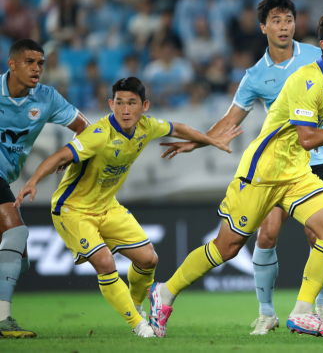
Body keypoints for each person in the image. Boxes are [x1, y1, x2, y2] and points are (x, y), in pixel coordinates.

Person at [148, 6, 323, 338]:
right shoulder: (307, 79)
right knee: (228, 246)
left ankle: (303, 311)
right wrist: (204, 140)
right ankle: (164, 292)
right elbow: (308, 137)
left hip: (295, 171)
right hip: (263, 171)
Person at [161, 0, 323, 335]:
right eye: (276, 21)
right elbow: (230, 119)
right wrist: (199, 140)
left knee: (321, 233)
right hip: (274, 166)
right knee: (265, 235)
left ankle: (319, 309)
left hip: (316, 159)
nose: (284, 27)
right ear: (263, 27)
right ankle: (267, 312)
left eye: (289, 20)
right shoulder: (255, 76)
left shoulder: (316, 54)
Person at [14, 77, 242, 338]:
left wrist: (210, 141)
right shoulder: (99, 134)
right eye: (119, 103)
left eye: (131, 103)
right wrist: (32, 181)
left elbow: (178, 128)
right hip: (73, 209)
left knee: (149, 259)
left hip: (107, 206)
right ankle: (139, 324)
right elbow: (61, 155)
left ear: (144, 106)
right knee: (104, 261)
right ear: (111, 104)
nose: (124, 109)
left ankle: (135, 305)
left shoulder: (148, 126)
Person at [0, 39, 90, 338]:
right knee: (16, 232)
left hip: (4, 177)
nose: (37, 68)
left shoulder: (47, 98)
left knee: (19, 261)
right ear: (11, 64)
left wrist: (71, 152)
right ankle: (2, 320)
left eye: (40, 63)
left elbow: (87, 130)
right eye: (29, 62)